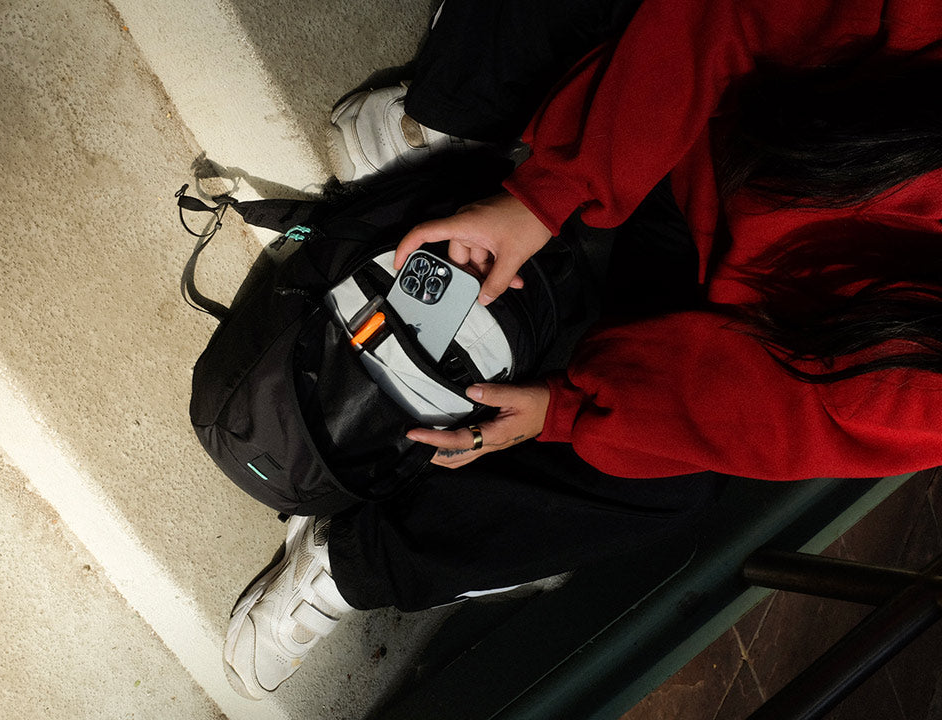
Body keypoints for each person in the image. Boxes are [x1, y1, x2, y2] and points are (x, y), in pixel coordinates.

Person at [223, 0, 942, 700]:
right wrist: (549, 192)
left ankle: (351, 564)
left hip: (719, 252)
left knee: (669, 477)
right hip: (711, 102)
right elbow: (732, 16)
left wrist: (568, 407)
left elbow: (781, 411)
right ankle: (455, 119)